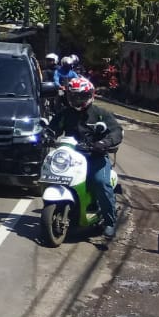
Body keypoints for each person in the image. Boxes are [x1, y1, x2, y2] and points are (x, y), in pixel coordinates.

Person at [47, 77, 122, 239]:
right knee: (54, 175)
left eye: (80, 96)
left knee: (100, 182)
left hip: (95, 157)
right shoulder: (65, 114)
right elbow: (53, 128)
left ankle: (110, 221)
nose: (77, 100)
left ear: (90, 95)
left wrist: (104, 142)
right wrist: (46, 135)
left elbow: (116, 131)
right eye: (73, 96)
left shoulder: (100, 114)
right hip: (71, 158)